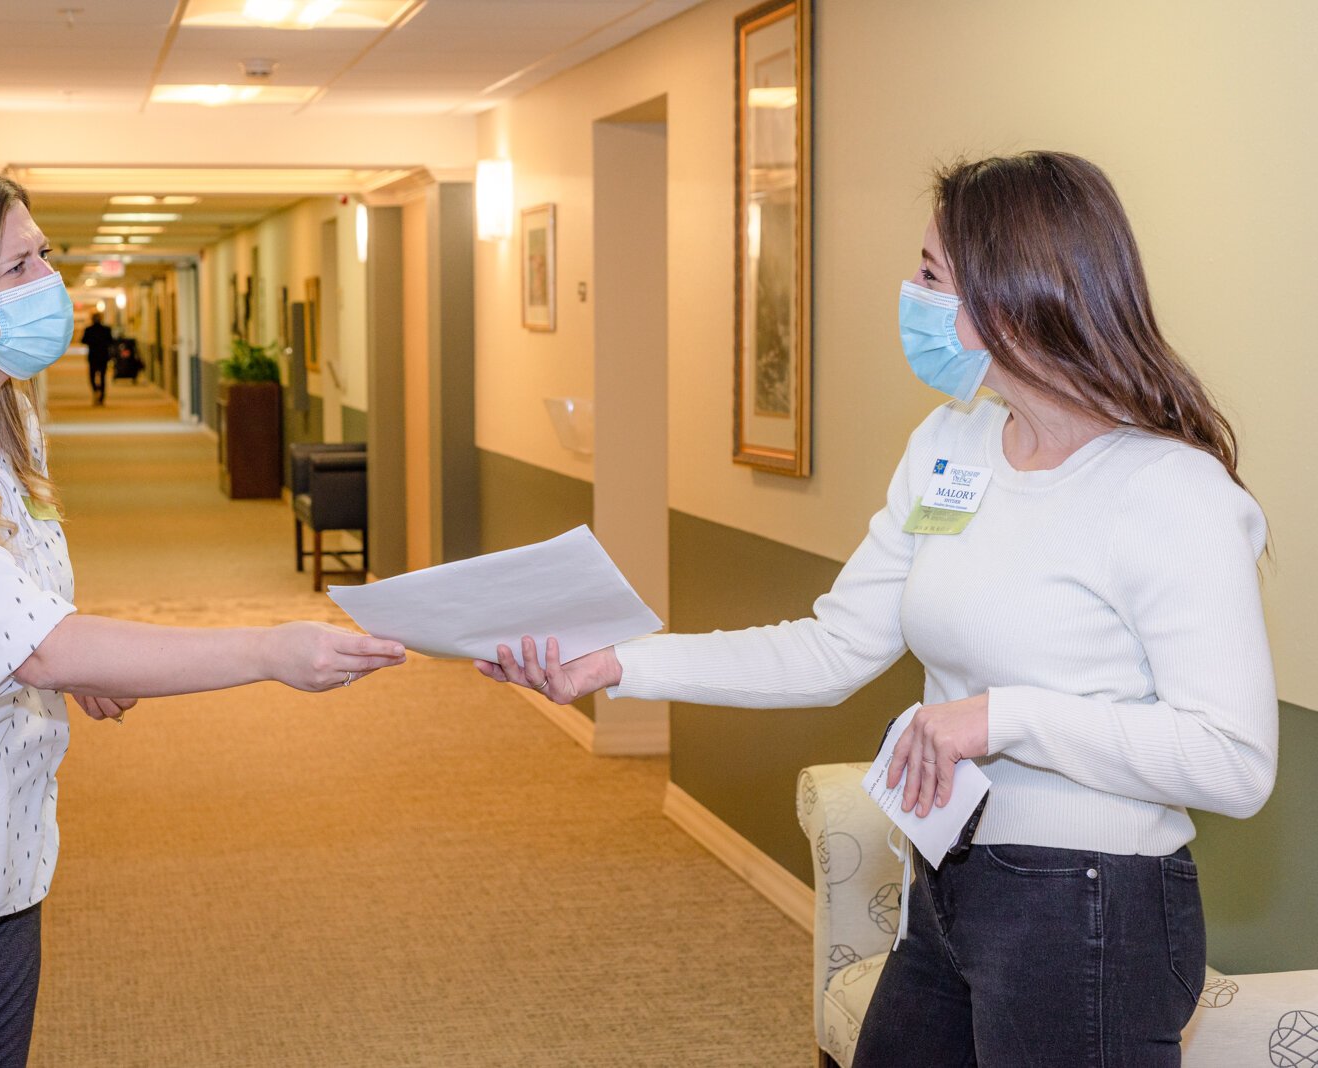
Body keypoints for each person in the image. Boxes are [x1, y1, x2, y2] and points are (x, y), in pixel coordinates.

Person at [477, 151, 1276, 1066]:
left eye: (931, 274)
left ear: (1010, 298)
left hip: (1090, 907)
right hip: (947, 874)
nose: (910, 293)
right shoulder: (953, 443)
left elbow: (1235, 761)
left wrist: (1000, 720)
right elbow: (832, 646)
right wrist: (618, 662)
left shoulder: (1170, 491)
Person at [0, 163, 406, 1068]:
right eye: (21, 267)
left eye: (44, 257)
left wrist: (95, 660)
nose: (50, 284)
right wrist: (268, 648)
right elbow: (42, 648)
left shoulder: (8, 426)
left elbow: (31, 613)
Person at [80, 309, 114, 404]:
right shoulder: (106, 330)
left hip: (93, 356)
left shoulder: (89, 329)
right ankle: (102, 397)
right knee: (103, 376)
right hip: (103, 356)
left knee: (91, 376)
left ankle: (96, 390)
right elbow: (111, 341)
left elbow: (83, 340)